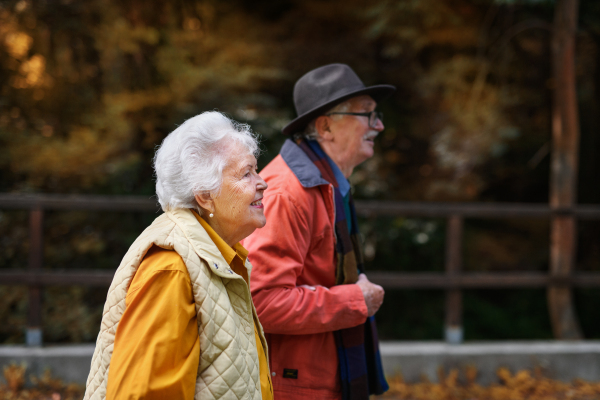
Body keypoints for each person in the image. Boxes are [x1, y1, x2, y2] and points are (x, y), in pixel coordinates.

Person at [83, 112, 273, 400]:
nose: (262, 183)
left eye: (256, 170)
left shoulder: (219, 257)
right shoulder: (171, 268)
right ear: (205, 195)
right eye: (246, 173)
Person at [243, 63, 395, 400]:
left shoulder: (326, 183)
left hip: (318, 378)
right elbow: (261, 302)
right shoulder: (289, 193)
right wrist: (356, 300)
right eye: (367, 114)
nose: (379, 125)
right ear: (326, 126)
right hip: (294, 387)